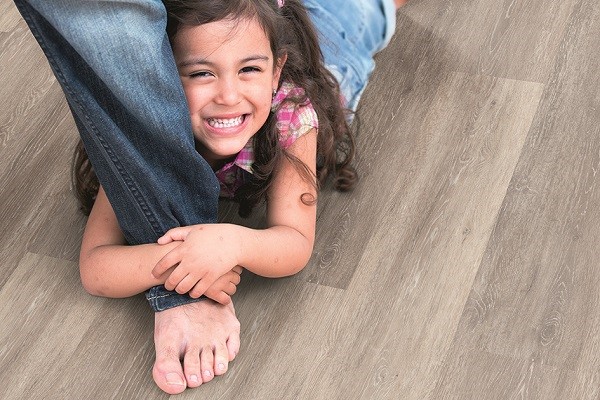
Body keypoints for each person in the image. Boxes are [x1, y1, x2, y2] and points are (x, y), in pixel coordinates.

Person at [14, 0, 403, 395]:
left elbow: (295, 243)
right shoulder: (144, 137)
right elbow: (96, 269)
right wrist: (181, 263)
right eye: (201, 73)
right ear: (159, 78)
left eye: (249, 69)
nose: (229, 95)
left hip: (334, 50)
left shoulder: (292, 113)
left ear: (276, 73)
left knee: (364, 11)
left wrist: (230, 241)